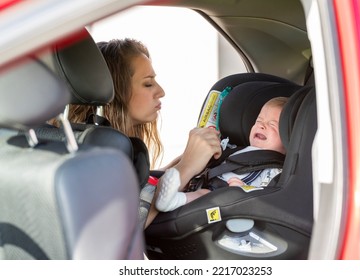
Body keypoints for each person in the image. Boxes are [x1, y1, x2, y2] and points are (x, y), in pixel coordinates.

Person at [150, 96, 288, 219]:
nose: (261, 126)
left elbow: (268, 197)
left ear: (289, 141)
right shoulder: (236, 149)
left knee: (205, 195)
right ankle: (169, 199)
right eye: (259, 121)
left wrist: (246, 191)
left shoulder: (277, 171)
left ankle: (171, 200)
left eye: (272, 125)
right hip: (208, 186)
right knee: (202, 193)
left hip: (230, 200)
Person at [67, 38, 165, 168]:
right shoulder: (96, 153)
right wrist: (187, 166)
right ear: (116, 91)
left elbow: (138, 188)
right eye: (148, 84)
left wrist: (179, 167)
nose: (161, 92)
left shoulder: (81, 139)